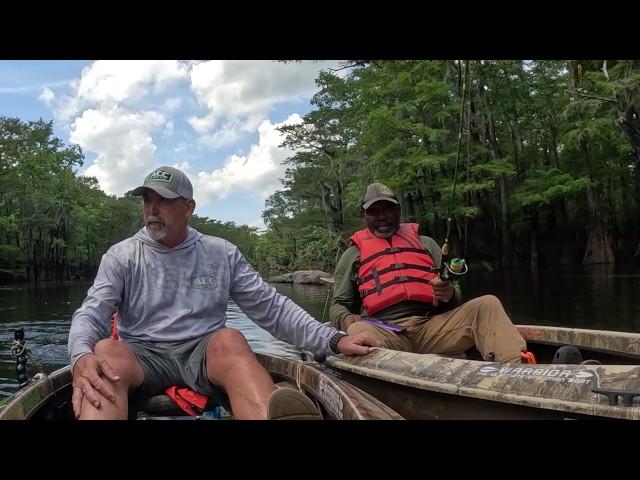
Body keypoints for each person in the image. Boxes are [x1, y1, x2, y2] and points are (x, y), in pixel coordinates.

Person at [68, 166, 378, 420]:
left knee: (230, 339)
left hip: (204, 354)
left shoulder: (220, 253)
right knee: (106, 351)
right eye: (147, 200)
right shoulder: (122, 255)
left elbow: (271, 308)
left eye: (163, 200)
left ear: (188, 207)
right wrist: (81, 355)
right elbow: (92, 313)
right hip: (142, 354)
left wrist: (332, 340)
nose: (152, 209)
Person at [329, 182, 533, 364]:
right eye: (374, 211)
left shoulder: (426, 244)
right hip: (384, 331)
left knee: (487, 304)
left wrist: (449, 294)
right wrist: (345, 319)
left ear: (398, 210)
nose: (382, 216)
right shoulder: (352, 255)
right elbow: (338, 303)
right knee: (357, 331)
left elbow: (455, 290)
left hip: (431, 328)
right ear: (365, 216)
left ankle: (516, 369)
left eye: (388, 209)